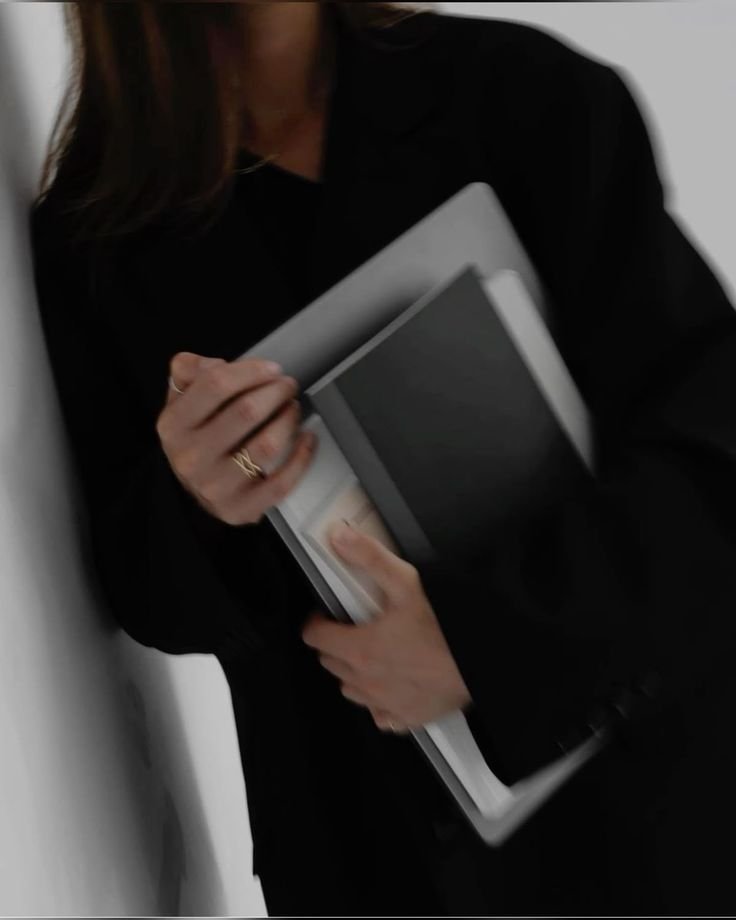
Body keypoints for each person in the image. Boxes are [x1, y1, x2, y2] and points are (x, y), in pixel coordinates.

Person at [29, 1, 736, 915]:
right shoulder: (95, 234)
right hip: (366, 861)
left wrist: (485, 644)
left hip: (657, 821)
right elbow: (144, 598)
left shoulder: (526, 96)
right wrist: (202, 499)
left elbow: (714, 445)